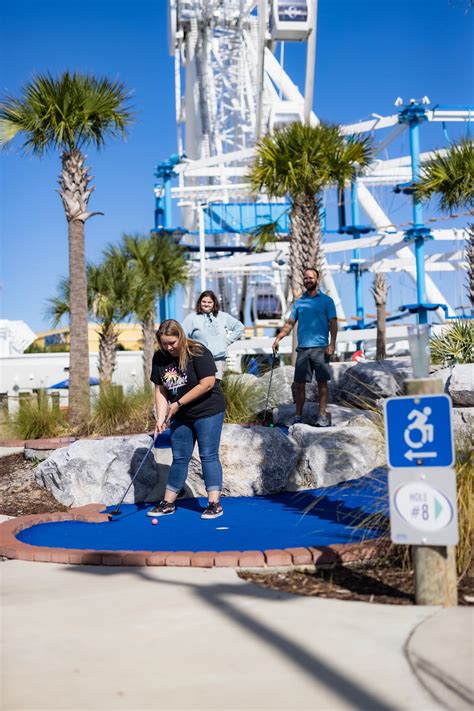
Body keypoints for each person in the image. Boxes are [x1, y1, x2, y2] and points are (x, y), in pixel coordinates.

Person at [148, 319, 226, 519]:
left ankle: (214, 504)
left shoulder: (197, 352)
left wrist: (178, 404)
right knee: (180, 457)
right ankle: (168, 503)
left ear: (181, 337)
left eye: (172, 342)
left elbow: (208, 383)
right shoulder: (160, 357)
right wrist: (160, 417)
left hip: (207, 410)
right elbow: (161, 389)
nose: (169, 347)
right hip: (181, 414)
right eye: (164, 343)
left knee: (208, 455)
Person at [273, 267, 338, 427]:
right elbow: (290, 323)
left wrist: (332, 344)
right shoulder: (299, 302)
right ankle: (297, 415)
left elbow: (333, 323)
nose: (308, 280)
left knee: (322, 383)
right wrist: (278, 338)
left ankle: (322, 415)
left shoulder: (327, 301)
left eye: (311, 277)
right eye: (306, 278)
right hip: (303, 349)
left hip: (321, 348)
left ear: (317, 279)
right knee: (299, 384)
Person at [182, 290, 244, 379]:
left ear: (214, 303)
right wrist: (192, 349)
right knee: (203, 385)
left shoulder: (222, 316)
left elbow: (239, 327)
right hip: (200, 359)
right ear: (199, 303)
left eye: (209, 302)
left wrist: (226, 342)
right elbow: (182, 336)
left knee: (216, 385)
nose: (206, 304)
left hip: (219, 359)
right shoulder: (192, 318)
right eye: (204, 302)